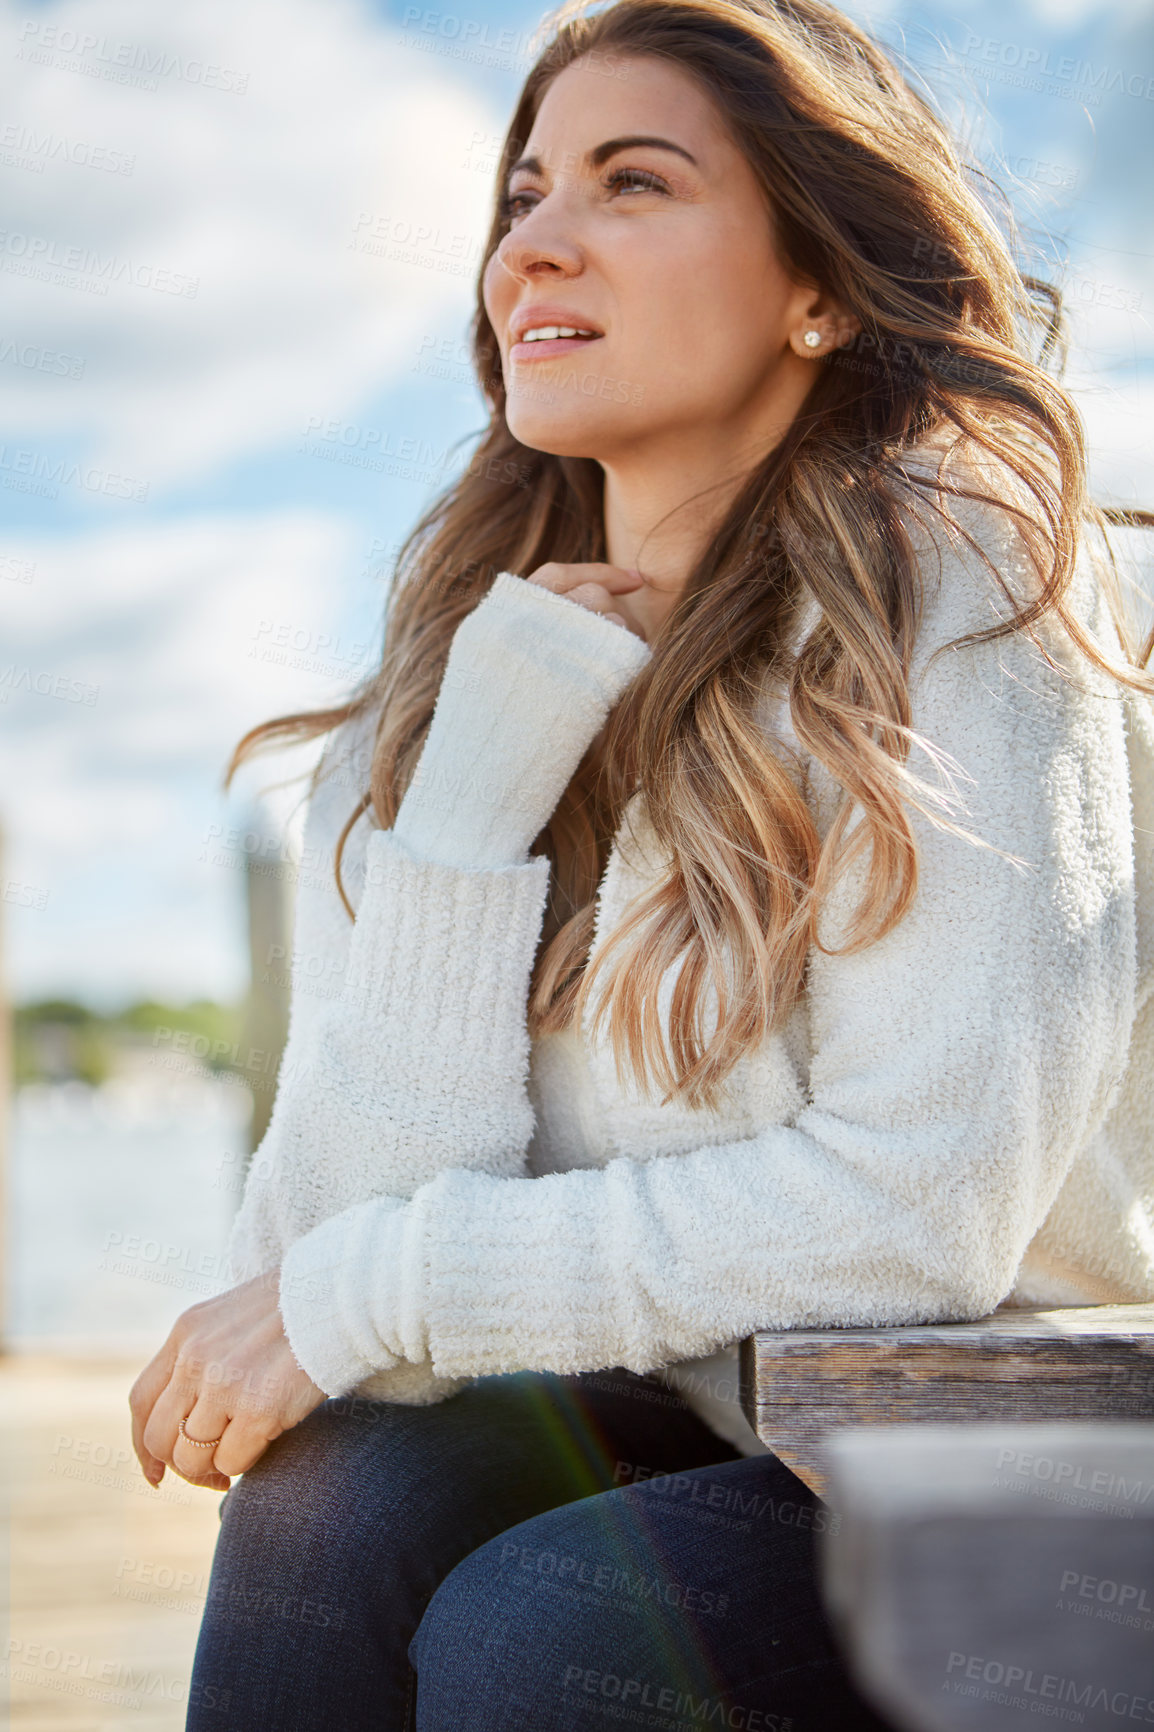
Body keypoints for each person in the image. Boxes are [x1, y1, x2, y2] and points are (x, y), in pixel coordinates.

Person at [130, 0, 1154, 1725]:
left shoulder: (963, 589)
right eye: (522, 193)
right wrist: (469, 814)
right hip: (712, 1430)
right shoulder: (452, 694)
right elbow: (308, 1264)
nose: (532, 242)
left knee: (553, 1627)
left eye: (632, 182)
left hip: (1035, 1462)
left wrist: (365, 1289)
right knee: (328, 1509)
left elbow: (919, 1215)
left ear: (819, 286)